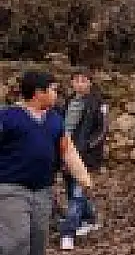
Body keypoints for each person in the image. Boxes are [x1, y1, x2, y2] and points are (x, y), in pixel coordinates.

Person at [0, 71, 92, 255]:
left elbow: (67, 149)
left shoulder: (55, 119)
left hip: (43, 190)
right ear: (38, 92)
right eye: (53, 89)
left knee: (38, 241)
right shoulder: (7, 117)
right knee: (15, 241)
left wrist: (83, 177)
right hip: (11, 189)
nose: (56, 94)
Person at [60, 70, 108, 250]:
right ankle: (89, 219)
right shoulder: (68, 101)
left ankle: (68, 233)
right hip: (66, 151)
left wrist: (88, 146)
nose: (80, 84)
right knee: (71, 190)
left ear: (90, 83)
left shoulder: (98, 103)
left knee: (77, 192)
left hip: (85, 155)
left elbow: (102, 129)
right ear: (72, 83)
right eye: (76, 80)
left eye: (84, 81)